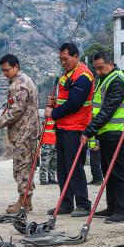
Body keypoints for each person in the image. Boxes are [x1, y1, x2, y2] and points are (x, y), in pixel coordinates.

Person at [80, 51, 124, 224]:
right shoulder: (105, 79)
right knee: (107, 171)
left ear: (110, 64)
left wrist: (89, 130)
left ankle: (121, 210)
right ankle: (111, 206)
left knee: (118, 172)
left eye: (100, 67)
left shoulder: (117, 80)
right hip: (105, 132)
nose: (98, 71)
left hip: (116, 132)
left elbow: (108, 110)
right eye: (95, 68)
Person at [45, 42, 95, 217]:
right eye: (61, 59)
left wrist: (53, 113)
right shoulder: (67, 75)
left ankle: (83, 204)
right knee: (63, 168)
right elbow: (65, 100)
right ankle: (66, 203)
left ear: (75, 57)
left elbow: (74, 103)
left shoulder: (83, 76)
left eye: (66, 59)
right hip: (63, 127)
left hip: (76, 128)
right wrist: (55, 104)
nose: (63, 62)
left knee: (75, 167)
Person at [0, 54, 40, 213]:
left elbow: (16, 110)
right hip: (24, 131)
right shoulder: (19, 81)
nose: (4, 73)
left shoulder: (20, 84)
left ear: (16, 67)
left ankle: (23, 201)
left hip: (25, 132)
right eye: (2, 70)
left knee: (21, 167)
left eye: (7, 70)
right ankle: (27, 200)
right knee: (24, 166)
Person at [39, 117, 58, 185]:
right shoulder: (44, 118)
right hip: (47, 142)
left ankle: (52, 178)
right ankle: (43, 179)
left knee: (53, 162)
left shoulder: (57, 117)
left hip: (55, 142)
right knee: (45, 162)